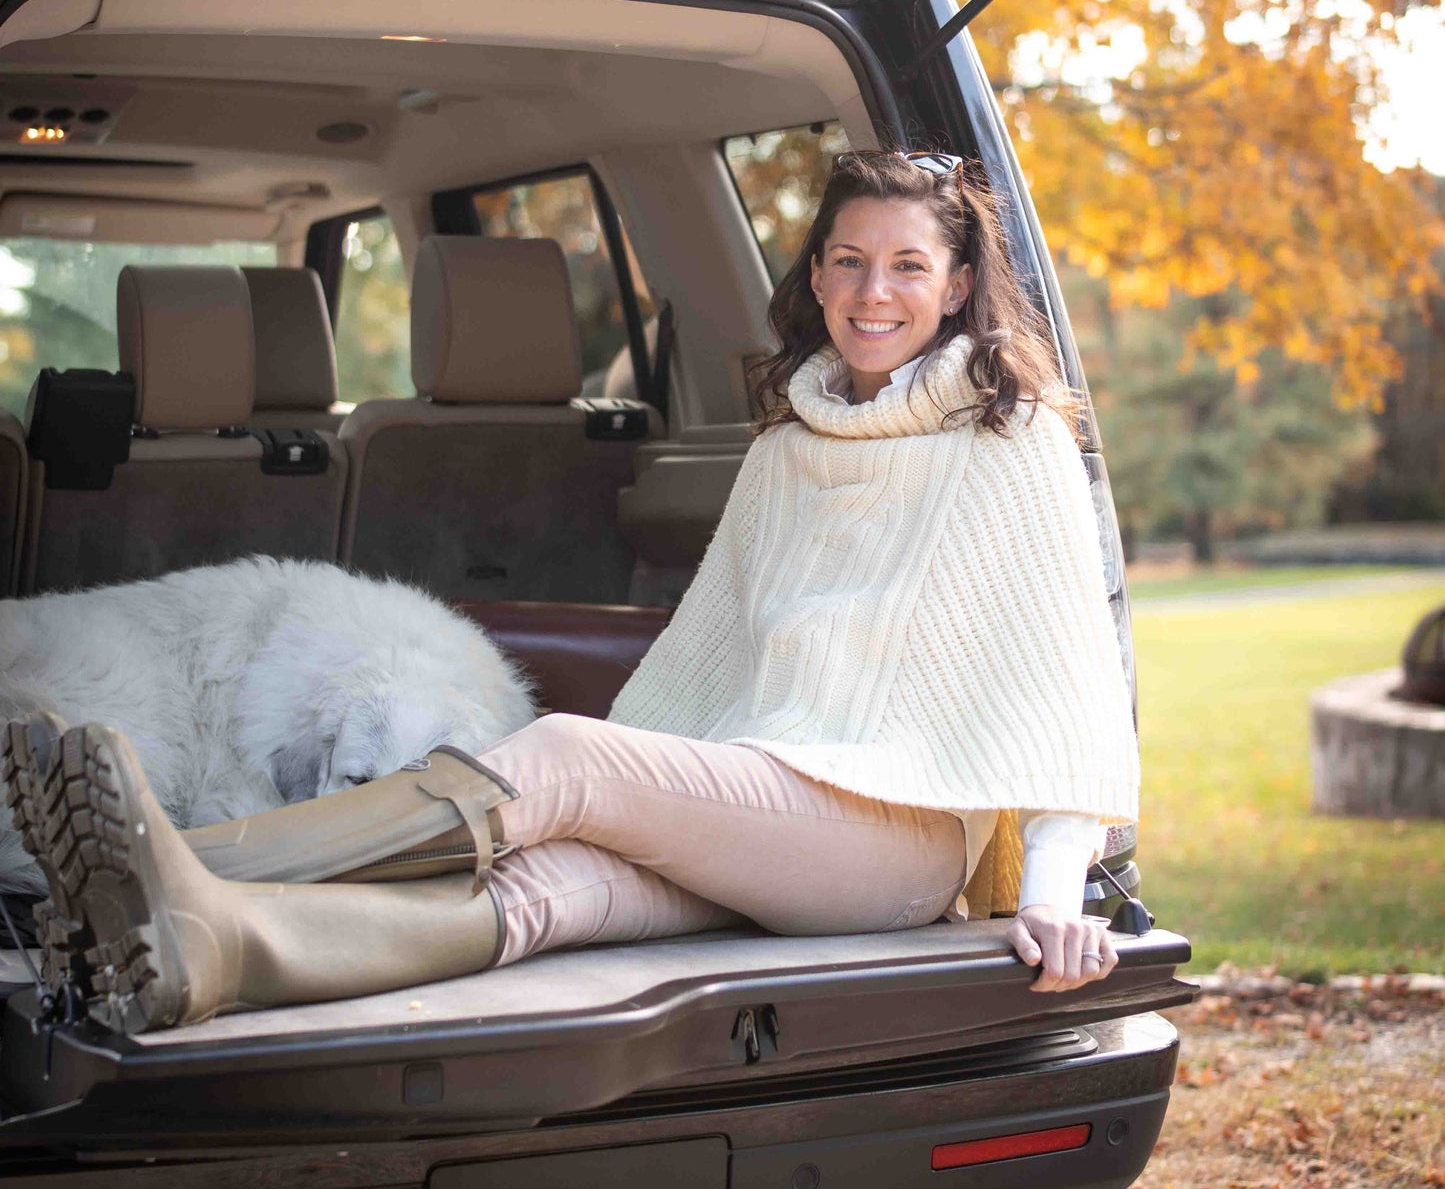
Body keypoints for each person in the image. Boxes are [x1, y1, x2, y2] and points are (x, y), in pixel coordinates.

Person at [2, 152, 1139, 1035]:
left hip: (888, 839)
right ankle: (220, 947)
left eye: (904, 266)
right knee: (542, 885)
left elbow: (1055, 682)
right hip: (762, 800)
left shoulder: (1011, 438)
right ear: (814, 275)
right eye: (845, 260)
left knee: (563, 758)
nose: (870, 290)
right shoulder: (793, 441)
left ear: (952, 287)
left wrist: (1052, 888)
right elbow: (708, 650)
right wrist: (641, 791)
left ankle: (195, 865)